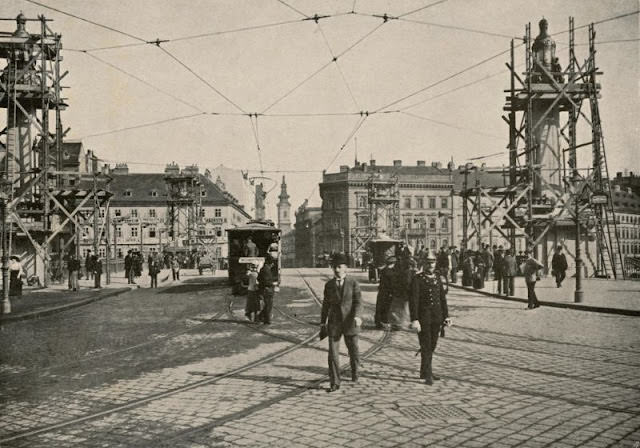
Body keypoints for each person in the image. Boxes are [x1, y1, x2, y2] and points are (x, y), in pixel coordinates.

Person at [320, 253, 362, 392]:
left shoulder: (353, 283)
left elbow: (358, 302)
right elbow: (325, 305)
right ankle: (335, 382)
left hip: (350, 322)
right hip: (334, 323)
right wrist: (322, 322)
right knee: (333, 354)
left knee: (354, 350)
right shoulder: (329, 285)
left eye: (339, 267)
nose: (336, 270)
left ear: (345, 268)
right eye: (334, 267)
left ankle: (355, 371)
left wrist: (357, 316)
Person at [410, 250, 451, 385]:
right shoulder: (417, 279)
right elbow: (414, 300)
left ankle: (424, 370)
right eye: (428, 263)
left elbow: (442, 299)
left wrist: (446, 316)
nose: (431, 265)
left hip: (437, 317)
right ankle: (428, 374)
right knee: (426, 345)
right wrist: (414, 319)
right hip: (424, 318)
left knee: (432, 345)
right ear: (424, 264)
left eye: (433, 262)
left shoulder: (437, 278)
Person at [375, 256, 397, 329]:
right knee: (386, 308)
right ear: (393, 263)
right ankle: (384, 323)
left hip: (382, 292)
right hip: (387, 293)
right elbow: (392, 284)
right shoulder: (390, 273)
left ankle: (378, 322)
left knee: (380, 307)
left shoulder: (384, 270)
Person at [257, 256, 275, 324]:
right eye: (272, 263)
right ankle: (267, 320)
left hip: (265, 289)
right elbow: (266, 281)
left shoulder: (263, 269)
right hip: (267, 289)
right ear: (270, 263)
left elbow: (258, 278)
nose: (273, 265)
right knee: (268, 305)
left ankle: (261, 316)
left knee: (268, 304)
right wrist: (271, 284)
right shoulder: (266, 270)